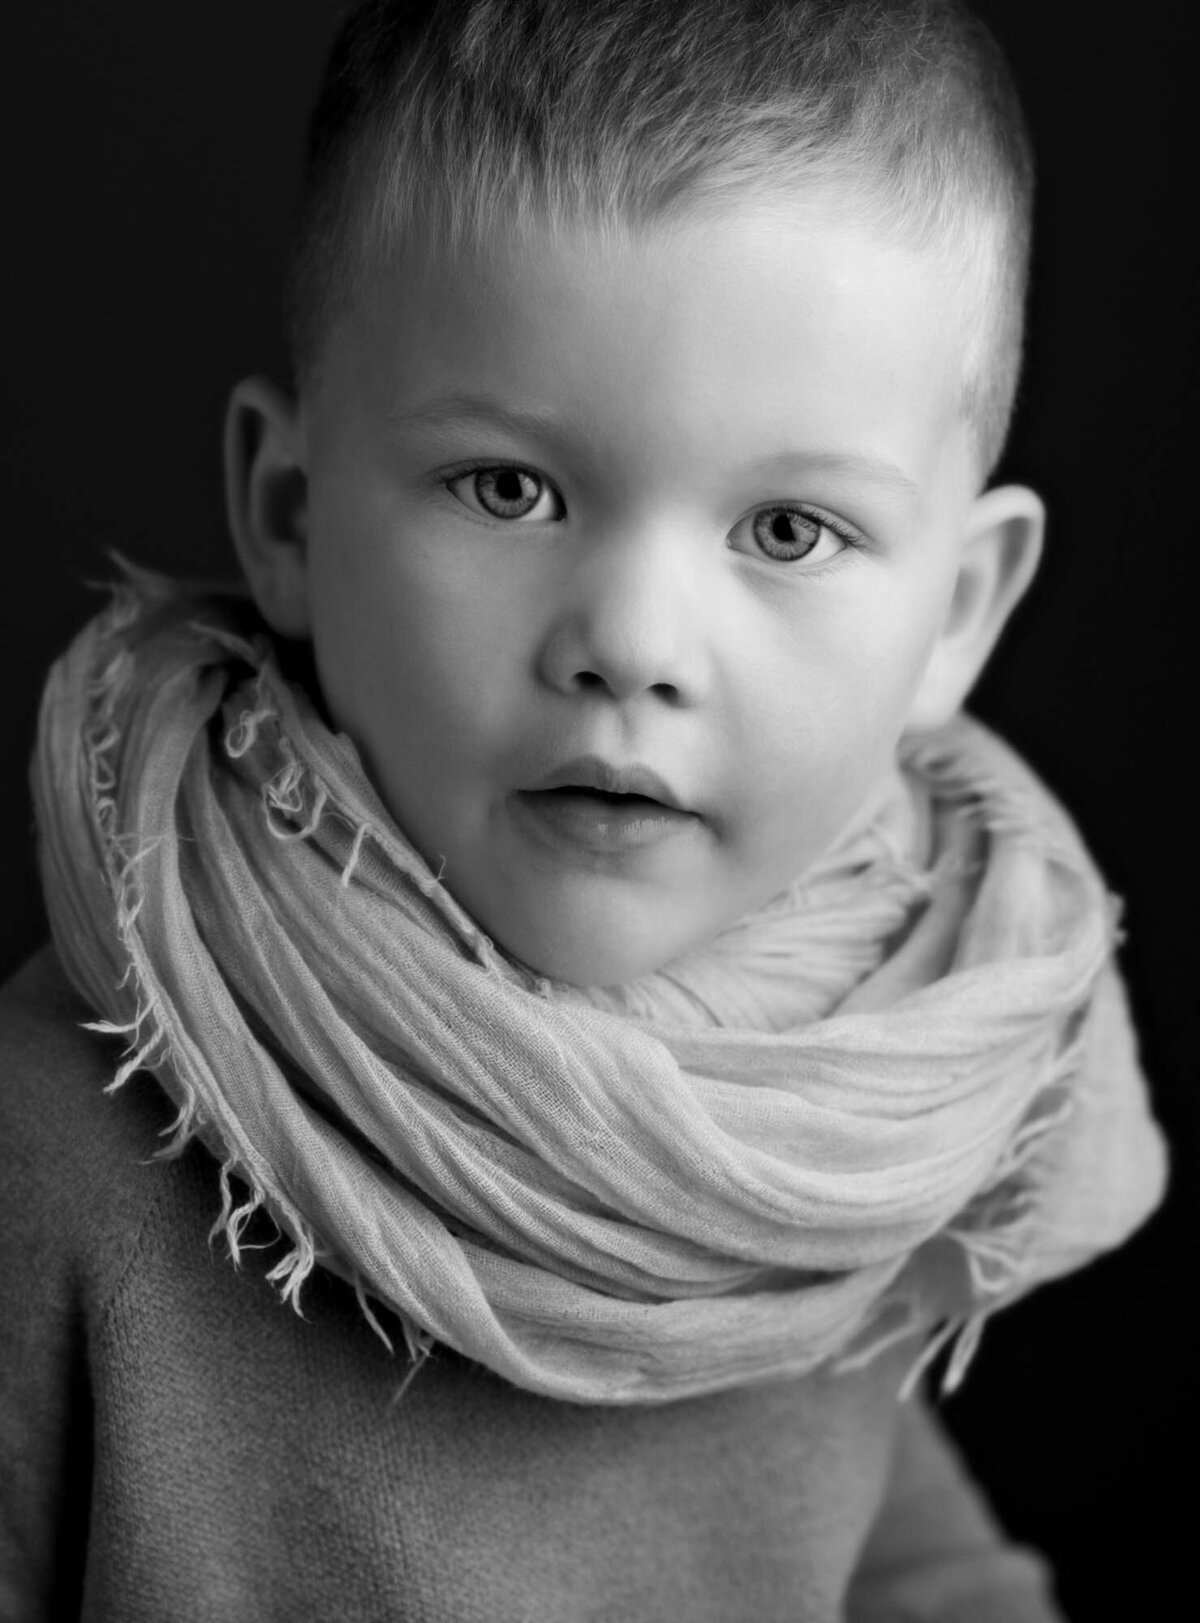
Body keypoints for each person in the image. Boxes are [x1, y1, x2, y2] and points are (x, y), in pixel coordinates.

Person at [0, 1, 1167, 1618]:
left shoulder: (866, 1104)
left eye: (790, 530)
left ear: (958, 612)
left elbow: (890, 1537)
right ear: (290, 511)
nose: (630, 644)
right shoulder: (53, 1152)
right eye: (508, 489)